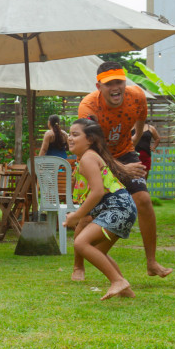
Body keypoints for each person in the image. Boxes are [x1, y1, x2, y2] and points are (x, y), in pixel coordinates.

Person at [77, 61, 171, 278]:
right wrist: (122, 168)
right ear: (99, 86)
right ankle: (78, 265)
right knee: (89, 213)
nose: (115, 87)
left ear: (125, 81)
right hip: (96, 156)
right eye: (109, 84)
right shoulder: (88, 108)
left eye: (119, 81)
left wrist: (135, 140)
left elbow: (141, 119)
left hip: (124, 152)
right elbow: (95, 148)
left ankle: (152, 263)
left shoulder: (137, 95)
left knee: (144, 201)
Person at [62, 118, 138, 300]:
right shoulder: (88, 157)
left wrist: (76, 215)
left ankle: (117, 282)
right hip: (124, 207)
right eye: (69, 134)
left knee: (81, 243)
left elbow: (97, 192)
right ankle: (125, 290)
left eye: (75, 134)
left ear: (89, 139)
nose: (70, 138)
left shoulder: (88, 158)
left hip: (117, 208)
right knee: (98, 251)